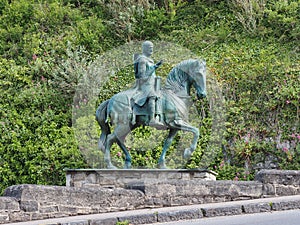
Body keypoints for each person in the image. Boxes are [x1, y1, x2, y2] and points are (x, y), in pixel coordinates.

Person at [132, 41, 164, 127]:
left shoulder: (151, 60)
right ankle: (152, 119)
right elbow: (142, 75)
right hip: (144, 84)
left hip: (152, 83)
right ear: (144, 49)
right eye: (149, 48)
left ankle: (159, 116)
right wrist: (155, 66)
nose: (151, 50)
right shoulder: (142, 60)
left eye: (152, 48)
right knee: (152, 96)